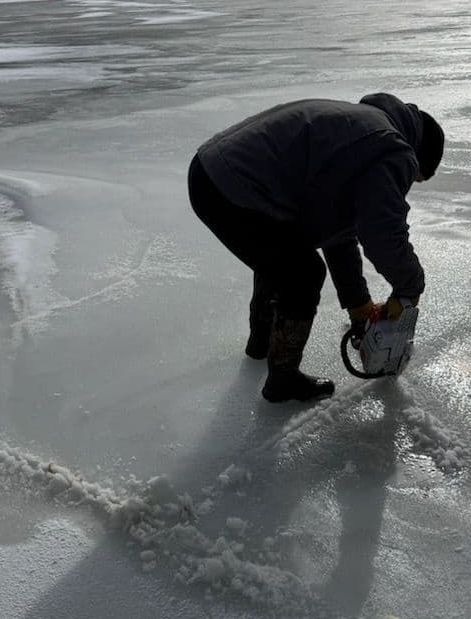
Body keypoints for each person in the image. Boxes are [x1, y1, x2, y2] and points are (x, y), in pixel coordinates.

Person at [187, 93, 444, 402]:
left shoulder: (365, 128)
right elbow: (382, 233)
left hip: (209, 171)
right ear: (418, 156)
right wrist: (410, 285)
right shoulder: (392, 150)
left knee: (282, 254)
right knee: (302, 273)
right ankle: (282, 380)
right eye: (415, 177)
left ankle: (261, 343)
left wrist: (359, 305)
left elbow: (335, 232)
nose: (409, 181)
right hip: (234, 186)